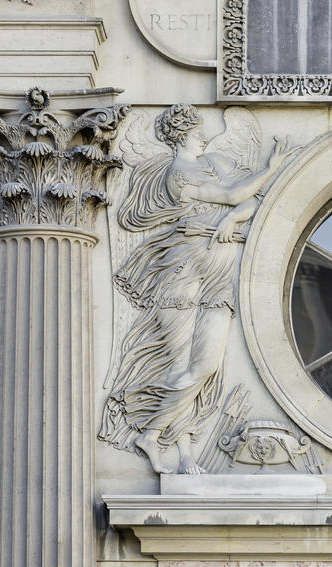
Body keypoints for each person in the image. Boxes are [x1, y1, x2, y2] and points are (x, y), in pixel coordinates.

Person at [99, 104, 294, 474]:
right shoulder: (177, 174)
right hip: (184, 266)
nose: (203, 135)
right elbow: (235, 195)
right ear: (180, 135)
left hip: (219, 270)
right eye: (196, 131)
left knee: (205, 366)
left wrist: (232, 219)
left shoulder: (216, 161)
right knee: (179, 364)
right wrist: (269, 170)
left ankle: (153, 434)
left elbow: (250, 201)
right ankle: (181, 452)